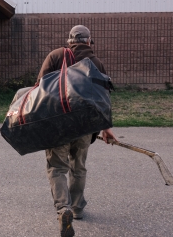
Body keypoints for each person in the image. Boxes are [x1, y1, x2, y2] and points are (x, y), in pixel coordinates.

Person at [36, 25, 118, 237]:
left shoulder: (56, 56)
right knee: (78, 167)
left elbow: (40, 89)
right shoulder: (96, 63)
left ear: (70, 41)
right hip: (84, 127)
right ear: (89, 41)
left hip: (58, 125)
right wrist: (106, 128)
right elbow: (102, 101)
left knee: (57, 168)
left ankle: (64, 209)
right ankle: (78, 208)